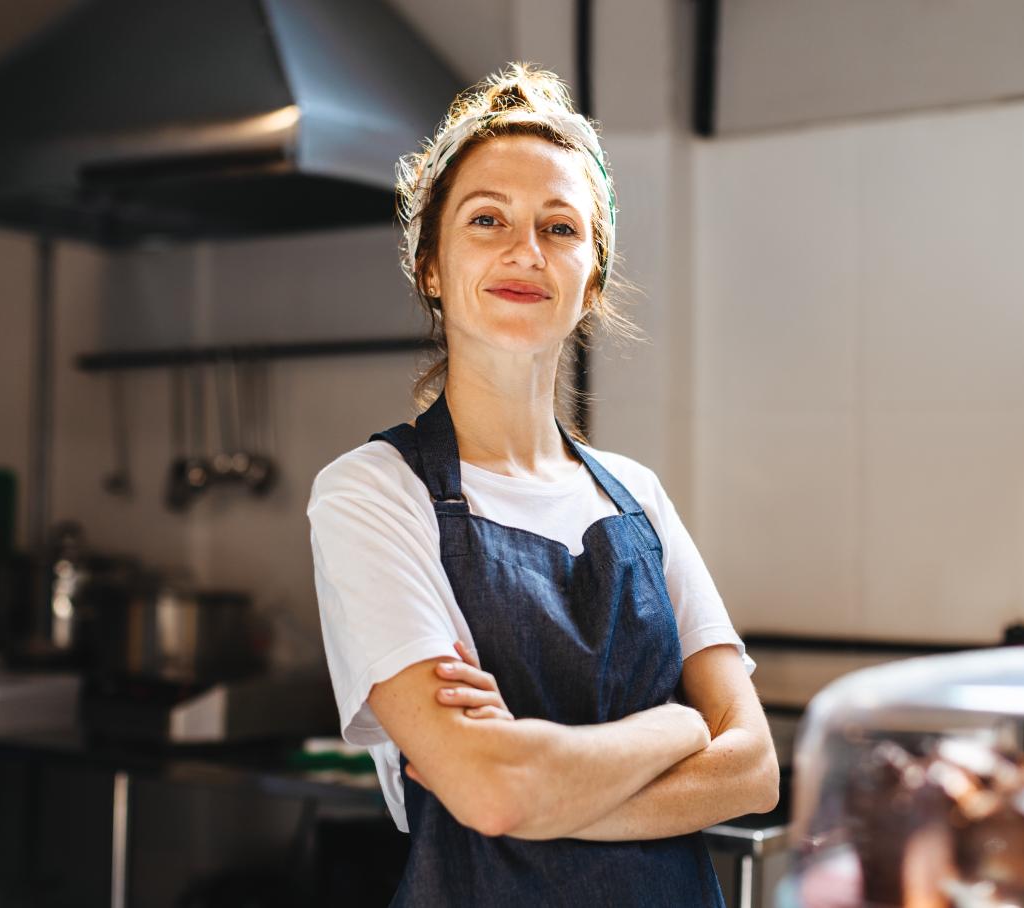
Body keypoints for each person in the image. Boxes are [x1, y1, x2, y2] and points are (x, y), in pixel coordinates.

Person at [307, 62, 779, 907]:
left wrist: (541, 787)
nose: (525, 251)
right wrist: (675, 727)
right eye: (487, 219)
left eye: (560, 228)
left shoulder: (636, 497)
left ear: (590, 280)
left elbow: (753, 769)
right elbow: (492, 790)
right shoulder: (372, 494)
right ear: (431, 266)